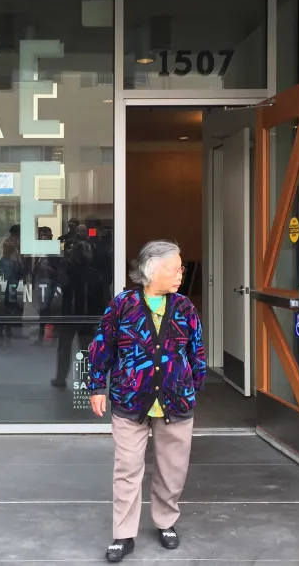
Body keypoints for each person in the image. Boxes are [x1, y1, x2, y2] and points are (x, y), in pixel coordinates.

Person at [87, 240, 206, 562]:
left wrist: (192, 387)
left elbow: (196, 352)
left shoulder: (183, 307)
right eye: (174, 268)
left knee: (172, 470)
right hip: (131, 400)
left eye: (180, 268)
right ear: (152, 270)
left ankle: (166, 521)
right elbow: (102, 346)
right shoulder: (123, 305)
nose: (181, 273)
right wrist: (97, 386)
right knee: (127, 469)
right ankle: (123, 534)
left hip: (176, 401)